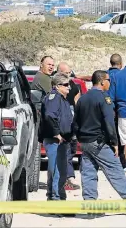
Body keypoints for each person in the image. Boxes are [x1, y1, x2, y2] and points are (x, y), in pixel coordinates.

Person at [73, 70, 126, 200]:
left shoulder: (82, 98)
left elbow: (76, 122)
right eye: (109, 80)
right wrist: (114, 142)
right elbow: (109, 122)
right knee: (114, 169)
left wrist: (80, 138)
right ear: (102, 81)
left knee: (88, 172)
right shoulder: (104, 98)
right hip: (99, 142)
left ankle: (90, 202)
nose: (110, 83)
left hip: (85, 141)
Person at [41, 73, 74, 202]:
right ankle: (57, 200)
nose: (69, 88)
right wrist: (56, 133)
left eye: (69, 84)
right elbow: (49, 115)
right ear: (57, 86)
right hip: (55, 140)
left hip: (62, 140)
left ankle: (56, 199)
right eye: (66, 85)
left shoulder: (62, 98)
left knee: (58, 172)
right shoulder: (54, 97)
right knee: (57, 172)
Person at [56, 62, 81, 191]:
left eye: (69, 72)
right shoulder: (55, 91)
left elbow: (78, 103)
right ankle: (64, 181)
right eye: (65, 73)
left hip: (72, 125)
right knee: (64, 153)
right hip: (61, 128)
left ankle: (69, 178)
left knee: (71, 151)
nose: (68, 75)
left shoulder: (74, 86)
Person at [106, 54, 126, 169]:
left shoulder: (104, 74)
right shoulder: (123, 76)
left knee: (108, 135)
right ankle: (121, 161)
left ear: (110, 62)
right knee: (121, 136)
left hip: (106, 109)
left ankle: (109, 160)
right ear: (121, 63)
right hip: (119, 109)